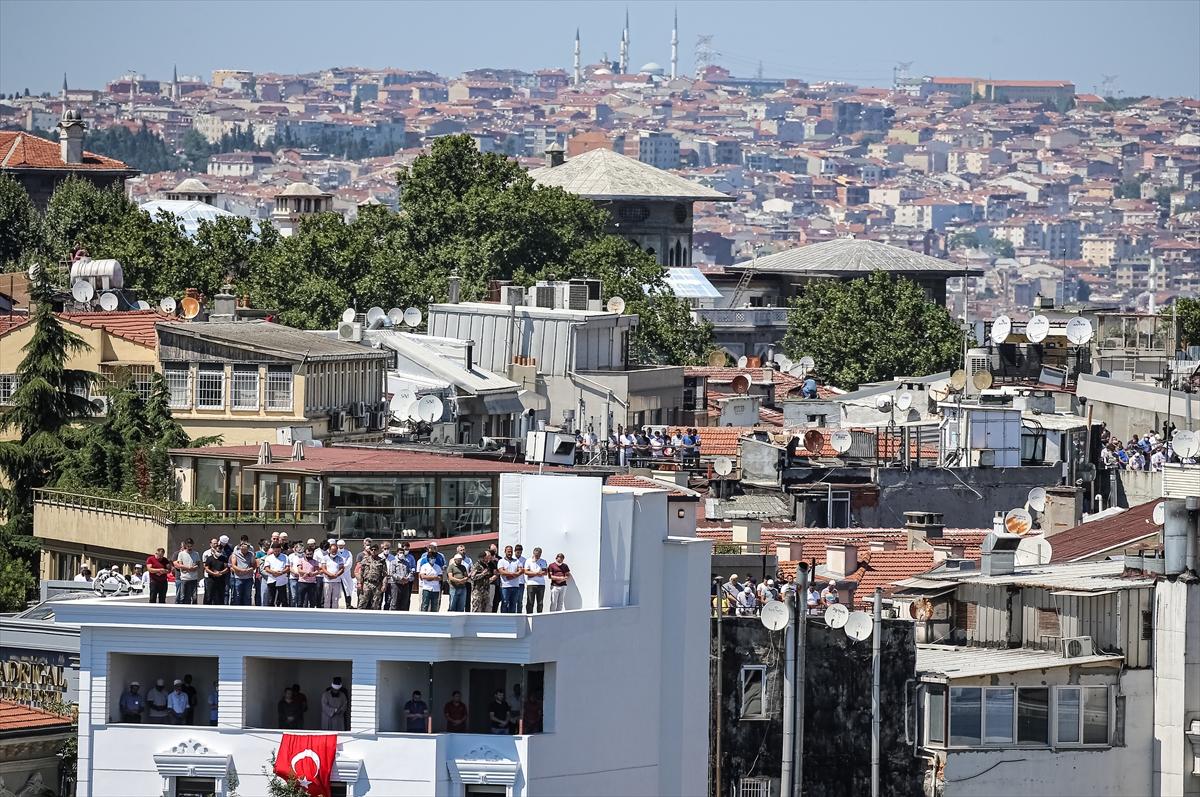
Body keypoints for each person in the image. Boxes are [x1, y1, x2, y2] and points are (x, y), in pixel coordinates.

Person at [359, 544, 387, 610]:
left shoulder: (382, 561)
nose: (373, 551)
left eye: (375, 550)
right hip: (367, 583)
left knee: (376, 604)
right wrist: (360, 583)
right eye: (372, 549)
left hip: (377, 584)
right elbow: (361, 573)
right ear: (370, 551)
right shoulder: (365, 560)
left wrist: (384, 585)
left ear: (378, 551)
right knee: (362, 602)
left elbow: (385, 575)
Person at [228, 541, 256, 606]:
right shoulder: (235, 554)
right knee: (237, 595)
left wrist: (251, 568)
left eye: (245, 549)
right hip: (238, 578)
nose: (243, 550)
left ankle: (247, 610)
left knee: (247, 595)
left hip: (248, 578)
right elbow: (233, 565)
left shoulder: (251, 554)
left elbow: (253, 564)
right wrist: (242, 570)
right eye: (242, 548)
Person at [174, 539, 201, 604]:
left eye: (191, 546)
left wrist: (194, 567)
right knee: (183, 597)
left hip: (193, 578)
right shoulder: (181, 554)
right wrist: (188, 568)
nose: (189, 548)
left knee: (194, 597)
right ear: (185, 546)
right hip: (184, 578)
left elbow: (198, 564)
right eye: (188, 546)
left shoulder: (196, 554)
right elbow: (180, 565)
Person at [322, 541, 348, 608]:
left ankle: (334, 613)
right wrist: (330, 575)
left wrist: (335, 575)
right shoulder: (325, 558)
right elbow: (323, 569)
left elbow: (342, 569)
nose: (334, 552)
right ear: (329, 550)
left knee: (335, 599)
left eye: (335, 551)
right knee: (327, 599)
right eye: (332, 550)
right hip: (327, 581)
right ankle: (326, 613)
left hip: (337, 581)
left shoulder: (340, 558)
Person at [498, 546, 523, 613]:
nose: (510, 553)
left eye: (511, 551)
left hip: (515, 586)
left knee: (513, 604)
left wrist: (510, 575)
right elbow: (501, 572)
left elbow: (520, 571)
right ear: (505, 552)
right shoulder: (501, 561)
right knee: (505, 603)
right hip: (505, 587)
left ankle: (512, 619)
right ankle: (504, 619)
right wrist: (514, 574)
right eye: (508, 551)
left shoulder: (517, 561)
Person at [393, 542, 417, 611]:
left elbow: (413, 567)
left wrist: (409, 576)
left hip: (408, 581)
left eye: (408, 549)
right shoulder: (396, 558)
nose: (406, 551)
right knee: (397, 597)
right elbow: (393, 571)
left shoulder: (411, 557)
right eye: (405, 549)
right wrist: (401, 578)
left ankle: (406, 611)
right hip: (398, 581)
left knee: (407, 598)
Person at [524, 548, 548, 613]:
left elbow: (545, 572)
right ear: (533, 553)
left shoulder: (543, 561)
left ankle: (539, 617)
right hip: (531, 584)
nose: (538, 556)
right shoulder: (528, 561)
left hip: (541, 584)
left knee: (540, 603)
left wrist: (532, 573)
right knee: (530, 602)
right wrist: (537, 573)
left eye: (539, 554)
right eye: (536, 554)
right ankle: (529, 617)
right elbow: (526, 572)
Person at [512, 544, 527, 611]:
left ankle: (519, 615)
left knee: (520, 601)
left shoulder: (524, 560)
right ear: (514, 551)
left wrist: (521, 570)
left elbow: (525, 570)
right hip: (512, 582)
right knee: (512, 600)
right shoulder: (511, 559)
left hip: (521, 582)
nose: (519, 553)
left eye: (520, 552)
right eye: (517, 552)